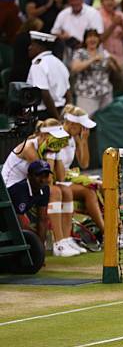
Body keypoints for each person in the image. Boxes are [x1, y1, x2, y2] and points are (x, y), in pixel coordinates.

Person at [2, 120, 80, 257]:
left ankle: (66, 239)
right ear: (44, 136)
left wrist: (55, 154)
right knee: (54, 192)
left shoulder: (48, 146)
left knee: (65, 190)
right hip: (9, 190)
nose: (57, 140)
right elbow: (47, 178)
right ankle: (58, 244)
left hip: (27, 187)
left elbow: (60, 178)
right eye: (54, 137)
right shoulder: (29, 148)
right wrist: (50, 154)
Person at [58, 105, 105, 237]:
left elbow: (84, 164)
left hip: (65, 178)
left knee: (104, 186)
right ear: (72, 124)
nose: (84, 130)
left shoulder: (73, 137)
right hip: (56, 180)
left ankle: (117, 228)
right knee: (89, 191)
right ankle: (107, 232)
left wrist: (83, 141)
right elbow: (59, 174)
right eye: (82, 126)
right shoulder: (58, 138)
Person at [71, 29, 121, 115]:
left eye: (95, 36)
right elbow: (75, 68)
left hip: (105, 93)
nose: (92, 39)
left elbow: (118, 70)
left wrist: (114, 61)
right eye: (89, 37)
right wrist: (93, 59)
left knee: (105, 122)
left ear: (99, 39)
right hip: (86, 94)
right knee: (85, 122)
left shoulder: (104, 53)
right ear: (85, 40)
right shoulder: (80, 53)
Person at [27, 31, 72, 120]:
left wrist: (57, 119)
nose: (29, 48)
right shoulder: (58, 63)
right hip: (59, 110)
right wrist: (65, 115)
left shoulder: (38, 65)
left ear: (40, 47)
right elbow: (68, 93)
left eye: (32, 45)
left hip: (46, 114)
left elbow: (45, 94)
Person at [8, 160, 51, 248]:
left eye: (46, 176)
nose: (42, 180)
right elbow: (18, 223)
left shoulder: (45, 189)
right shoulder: (19, 190)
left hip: (11, 219)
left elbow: (42, 219)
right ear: (29, 176)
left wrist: (41, 249)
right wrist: (36, 243)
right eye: (38, 175)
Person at [99, 0, 123, 69]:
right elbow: (99, 39)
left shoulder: (120, 14)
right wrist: (114, 24)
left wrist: (122, 25)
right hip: (104, 56)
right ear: (101, 2)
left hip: (120, 55)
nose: (110, 2)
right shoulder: (97, 15)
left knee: (120, 80)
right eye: (107, 0)